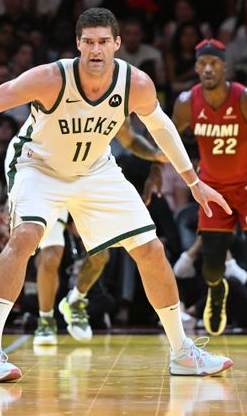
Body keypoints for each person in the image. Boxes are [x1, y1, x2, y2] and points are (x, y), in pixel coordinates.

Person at [0, 7, 233, 382]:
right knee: (25, 237)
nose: (96, 50)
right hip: (39, 166)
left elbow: (162, 127)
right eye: (88, 42)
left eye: (104, 41)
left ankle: (182, 352)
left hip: (94, 168)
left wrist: (192, 181)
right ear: (77, 44)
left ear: (117, 44)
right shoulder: (50, 78)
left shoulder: (136, 83)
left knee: (151, 249)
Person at [171, 38, 247, 341]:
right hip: (212, 189)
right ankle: (216, 291)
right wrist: (156, 172)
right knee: (211, 265)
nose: (208, 68)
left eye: (214, 63)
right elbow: (168, 140)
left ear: (225, 67)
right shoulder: (187, 102)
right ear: (196, 68)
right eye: (202, 64)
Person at [33, 118, 167, 346]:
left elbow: (131, 140)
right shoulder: (57, 96)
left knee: (102, 256)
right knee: (51, 254)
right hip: (48, 176)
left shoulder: (109, 101)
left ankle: (75, 299)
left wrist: (156, 160)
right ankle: (45, 320)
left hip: (87, 179)